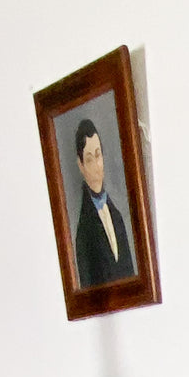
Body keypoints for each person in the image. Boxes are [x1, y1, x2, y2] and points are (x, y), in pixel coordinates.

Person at [72, 118, 135, 288]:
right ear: (81, 165)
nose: (97, 165)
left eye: (98, 155)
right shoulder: (83, 234)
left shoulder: (117, 217)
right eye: (90, 159)